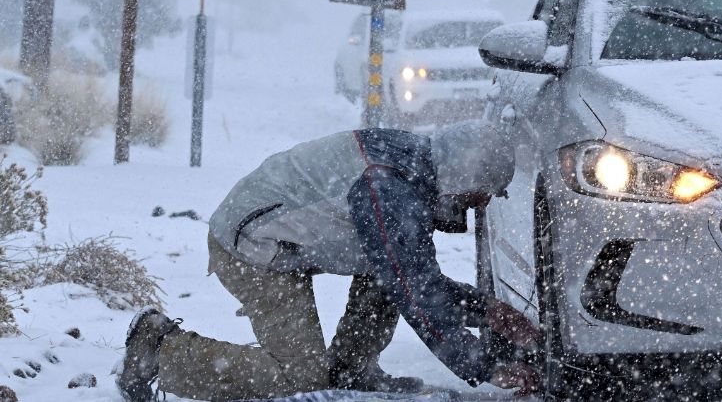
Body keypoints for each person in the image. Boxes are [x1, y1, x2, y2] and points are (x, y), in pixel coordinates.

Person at [117, 123, 540, 402]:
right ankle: (161, 350)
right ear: (465, 175)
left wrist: (486, 312)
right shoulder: (390, 190)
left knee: (386, 277)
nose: (480, 205)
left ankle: (350, 371)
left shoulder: (418, 165)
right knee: (299, 379)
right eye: (480, 193)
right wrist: (486, 367)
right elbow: (416, 294)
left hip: (282, 238)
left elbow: (412, 276)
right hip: (252, 248)